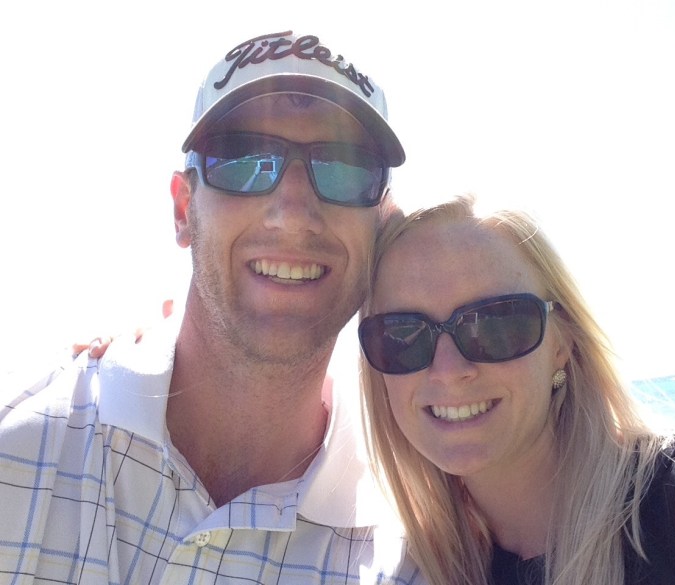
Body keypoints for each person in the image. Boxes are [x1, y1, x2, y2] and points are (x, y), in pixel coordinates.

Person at [0, 31, 425, 584]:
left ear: (382, 227)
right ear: (183, 210)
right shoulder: (18, 441)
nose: (292, 214)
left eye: (346, 170)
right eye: (243, 160)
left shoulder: (409, 561)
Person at [357, 194, 675, 585]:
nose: (448, 371)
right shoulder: (409, 565)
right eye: (403, 334)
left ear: (561, 343)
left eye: (495, 324)